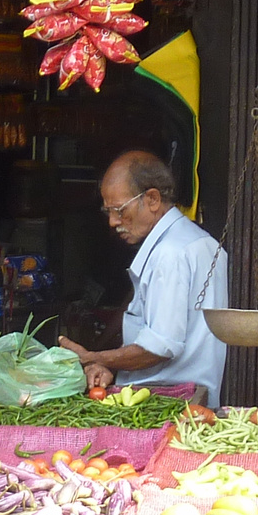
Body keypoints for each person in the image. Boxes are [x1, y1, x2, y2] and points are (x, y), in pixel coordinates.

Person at [57, 151, 228, 407]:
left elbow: (159, 347)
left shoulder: (171, 254)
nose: (114, 222)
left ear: (152, 199)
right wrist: (109, 364)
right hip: (184, 400)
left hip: (168, 406)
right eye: (108, 212)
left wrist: (92, 357)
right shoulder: (194, 241)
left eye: (120, 210)